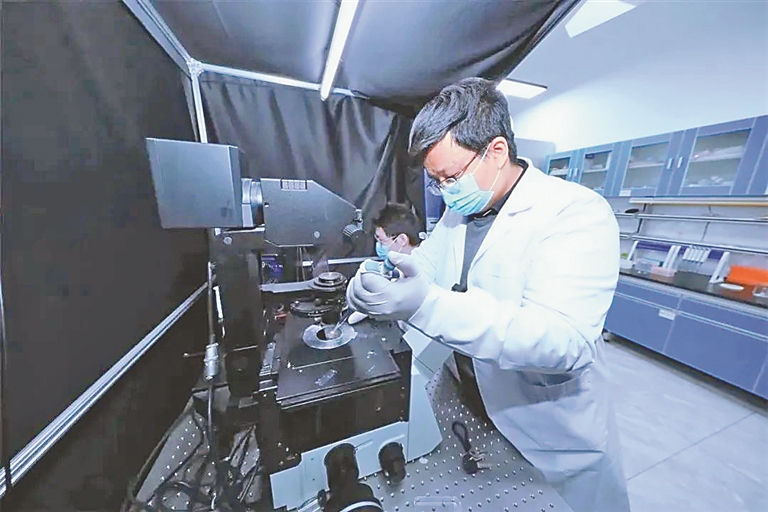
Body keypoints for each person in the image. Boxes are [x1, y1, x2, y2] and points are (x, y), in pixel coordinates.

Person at [346, 77, 631, 512]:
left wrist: (425, 305)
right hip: (472, 402)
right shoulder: (461, 211)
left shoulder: (575, 213)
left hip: (549, 434)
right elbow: (428, 268)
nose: (445, 190)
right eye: (436, 181)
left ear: (496, 151)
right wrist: (381, 277)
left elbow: (563, 341)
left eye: (451, 177)